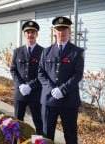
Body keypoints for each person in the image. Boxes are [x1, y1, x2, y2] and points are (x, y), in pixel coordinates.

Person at [38, 16, 85, 144]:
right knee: (46, 134)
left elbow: (78, 74)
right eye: (58, 29)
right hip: (49, 99)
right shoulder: (46, 52)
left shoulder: (76, 52)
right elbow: (41, 73)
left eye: (64, 29)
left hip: (69, 100)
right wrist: (52, 89)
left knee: (70, 134)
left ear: (69, 31)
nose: (61, 32)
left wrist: (63, 89)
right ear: (54, 31)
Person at [10, 20, 44, 135]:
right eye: (28, 32)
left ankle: (41, 142)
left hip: (36, 93)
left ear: (36, 34)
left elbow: (43, 72)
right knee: (17, 121)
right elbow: (13, 70)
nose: (30, 35)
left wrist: (30, 85)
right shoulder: (17, 51)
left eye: (33, 32)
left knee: (39, 121)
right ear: (24, 35)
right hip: (20, 93)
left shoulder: (43, 52)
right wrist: (20, 85)